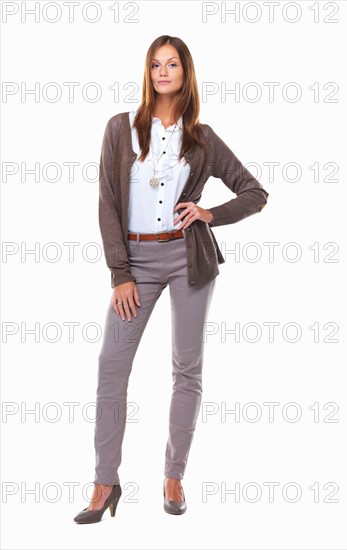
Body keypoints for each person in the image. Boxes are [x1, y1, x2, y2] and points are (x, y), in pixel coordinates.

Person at [74, 35, 269, 524]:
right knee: (110, 367)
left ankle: (174, 475)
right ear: (148, 72)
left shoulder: (200, 137)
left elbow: (255, 191)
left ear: (185, 72)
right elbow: (107, 204)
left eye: (172, 64)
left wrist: (208, 213)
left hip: (188, 259)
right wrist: (120, 272)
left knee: (187, 368)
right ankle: (104, 482)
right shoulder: (121, 129)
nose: (163, 72)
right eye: (156, 64)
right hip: (135, 264)